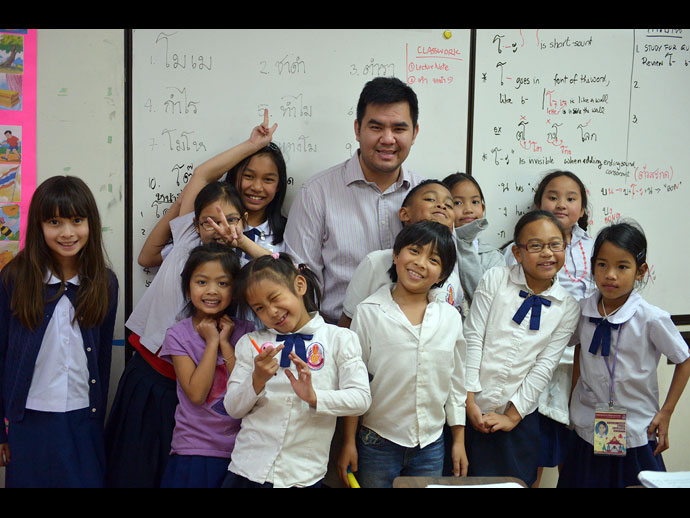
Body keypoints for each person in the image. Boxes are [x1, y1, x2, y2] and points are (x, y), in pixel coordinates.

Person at [105, 115, 275, 488]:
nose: (219, 227)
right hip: (153, 378)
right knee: (133, 473)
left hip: (206, 401)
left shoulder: (247, 264)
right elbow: (202, 175)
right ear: (194, 222)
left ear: (244, 222)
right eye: (209, 220)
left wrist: (241, 240)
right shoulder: (185, 240)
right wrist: (252, 145)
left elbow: (283, 274)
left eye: (230, 220)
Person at [0, 176, 118, 487]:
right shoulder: (14, 278)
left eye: (77, 221)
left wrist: (96, 418)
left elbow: (103, 358)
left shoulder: (104, 283)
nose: (67, 233)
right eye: (54, 222)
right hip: (28, 420)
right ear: (39, 226)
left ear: (90, 223)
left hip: (83, 420)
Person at [558, 222, 690, 488]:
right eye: (602, 265)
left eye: (622, 267)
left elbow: (684, 360)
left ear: (640, 271)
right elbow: (579, 347)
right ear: (593, 266)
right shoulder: (582, 311)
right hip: (588, 428)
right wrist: (573, 396)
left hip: (635, 429)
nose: (610, 275)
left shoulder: (651, 318)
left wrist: (666, 412)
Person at [222, 253, 371, 487]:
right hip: (248, 469)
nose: (272, 312)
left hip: (302, 475)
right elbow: (232, 408)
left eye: (274, 298)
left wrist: (314, 397)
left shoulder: (340, 339)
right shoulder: (250, 343)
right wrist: (256, 380)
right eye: (259, 308)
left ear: (300, 285)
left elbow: (361, 399)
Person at [338, 221, 467, 487]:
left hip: (431, 443)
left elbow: (455, 383)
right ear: (396, 255)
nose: (420, 263)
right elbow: (354, 381)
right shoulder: (368, 312)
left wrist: (459, 441)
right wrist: (348, 442)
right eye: (414, 251)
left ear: (442, 275)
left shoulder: (450, 318)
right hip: (377, 440)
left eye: (433, 260)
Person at [284, 76, 424, 323]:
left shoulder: (430, 198)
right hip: (336, 334)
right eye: (376, 127)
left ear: (414, 133)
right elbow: (299, 284)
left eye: (399, 129)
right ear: (358, 130)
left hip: (412, 337)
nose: (388, 139)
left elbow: (446, 280)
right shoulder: (316, 193)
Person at [463, 210, 580, 487]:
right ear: (517, 253)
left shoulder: (567, 307)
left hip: (517, 419)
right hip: (469, 408)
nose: (547, 253)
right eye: (536, 245)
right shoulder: (495, 279)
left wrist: (511, 417)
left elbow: (544, 366)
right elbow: (473, 339)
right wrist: (468, 401)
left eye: (555, 244)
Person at [503, 170, 594, 484]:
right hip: (532, 358)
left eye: (571, 198)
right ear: (538, 203)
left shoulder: (595, 248)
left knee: (573, 448)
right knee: (533, 447)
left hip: (578, 364)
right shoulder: (516, 249)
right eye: (553, 197)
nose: (561, 204)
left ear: (583, 209)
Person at [159, 243, 254, 488]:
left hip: (243, 451)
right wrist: (212, 343)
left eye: (222, 283)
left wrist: (225, 345)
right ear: (188, 287)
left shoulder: (247, 332)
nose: (212, 291)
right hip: (195, 449)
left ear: (235, 289)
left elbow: (246, 391)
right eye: (202, 282)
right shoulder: (178, 335)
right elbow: (196, 394)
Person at [338, 179, 462, 328]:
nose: (442, 206)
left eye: (449, 205)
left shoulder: (451, 278)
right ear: (405, 214)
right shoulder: (375, 263)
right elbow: (347, 325)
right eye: (430, 199)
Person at [443, 172, 504, 314]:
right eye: (457, 203)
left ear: (483, 208)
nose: (468, 209)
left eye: (475, 202)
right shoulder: (434, 249)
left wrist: (464, 241)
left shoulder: (493, 256)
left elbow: (487, 302)